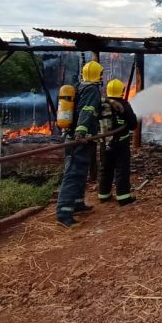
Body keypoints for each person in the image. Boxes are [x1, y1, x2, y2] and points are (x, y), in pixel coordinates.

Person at [56, 61, 103, 228]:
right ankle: (64, 213)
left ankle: (77, 203)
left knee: (81, 172)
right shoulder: (92, 90)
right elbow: (87, 110)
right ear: (99, 75)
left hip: (78, 138)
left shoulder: (80, 87)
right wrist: (81, 132)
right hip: (80, 139)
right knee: (73, 174)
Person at [98, 78, 138, 206]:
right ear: (122, 91)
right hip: (121, 143)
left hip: (105, 143)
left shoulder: (102, 104)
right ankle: (123, 197)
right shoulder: (124, 105)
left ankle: (103, 194)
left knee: (105, 168)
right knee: (122, 169)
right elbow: (133, 125)